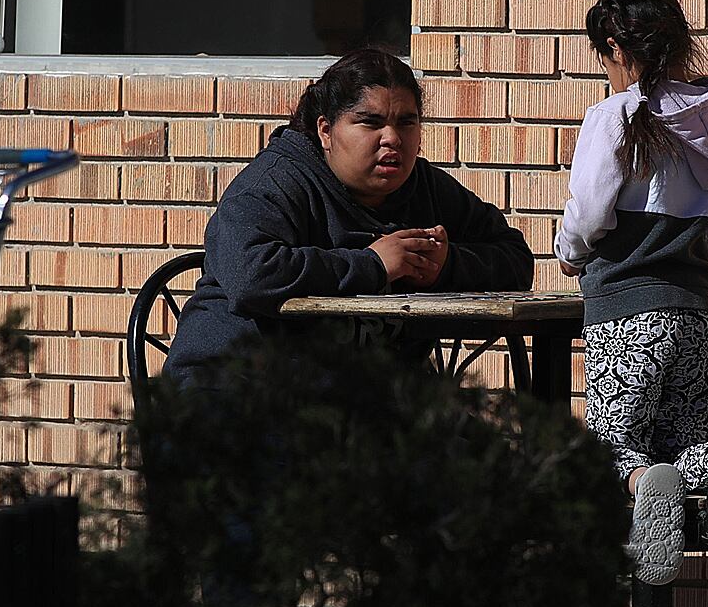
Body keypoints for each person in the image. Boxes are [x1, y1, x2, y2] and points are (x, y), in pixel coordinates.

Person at [553, 0, 708, 585]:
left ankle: (642, 483)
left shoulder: (611, 118)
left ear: (616, 50)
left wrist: (569, 251)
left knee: (610, 448)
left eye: (604, 59)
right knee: (686, 440)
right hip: (693, 314)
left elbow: (590, 210)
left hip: (623, 316)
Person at [163, 49, 533, 387]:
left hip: (361, 412)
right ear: (326, 131)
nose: (392, 138)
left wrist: (446, 265)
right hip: (234, 394)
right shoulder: (275, 182)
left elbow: (515, 258)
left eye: (406, 123)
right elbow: (251, 274)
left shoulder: (426, 188)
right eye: (370, 123)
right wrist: (372, 264)